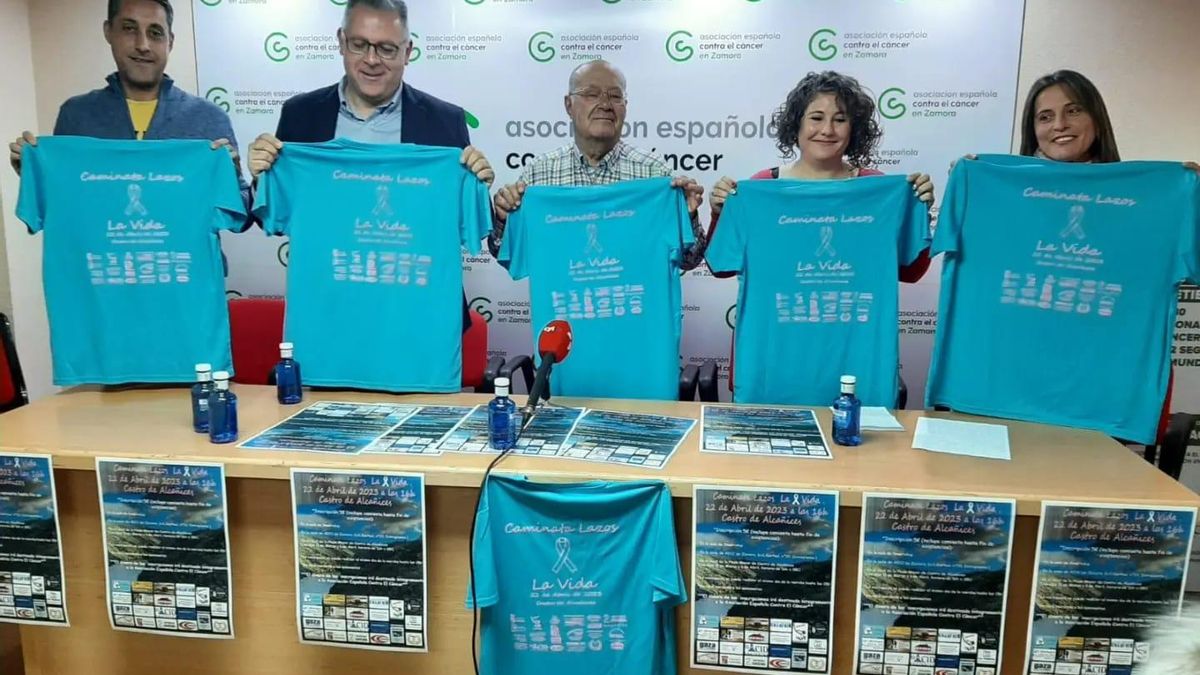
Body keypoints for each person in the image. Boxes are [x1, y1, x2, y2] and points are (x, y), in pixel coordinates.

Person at [246, 0, 494, 331]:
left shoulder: (445, 121)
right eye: (360, 45)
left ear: (408, 51)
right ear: (341, 41)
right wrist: (261, 178)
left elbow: (462, 218)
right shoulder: (300, 115)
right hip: (329, 314)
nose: (372, 60)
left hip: (419, 318)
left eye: (387, 49)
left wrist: (478, 183)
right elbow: (273, 219)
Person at [8, 0, 248, 219]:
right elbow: (62, 207)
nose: (142, 45)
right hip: (102, 265)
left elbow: (242, 216)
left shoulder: (208, 118)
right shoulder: (77, 115)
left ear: (170, 42)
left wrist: (230, 178)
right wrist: (33, 176)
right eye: (129, 28)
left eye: (155, 33)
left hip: (186, 265)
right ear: (108, 31)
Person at [707, 70, 935, 282]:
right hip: (779, 324)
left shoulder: (876, 189)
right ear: (797, 125)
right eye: (816, 118)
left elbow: (910, 273)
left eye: (840, 120)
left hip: (852, 323)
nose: (827, 130)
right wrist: (720, 214)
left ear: (854, 129)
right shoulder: (763, 186)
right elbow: (721, 269)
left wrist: (918, 212)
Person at [488, 59, 707, 269]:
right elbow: (509, 255)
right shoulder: (537, 175)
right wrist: (504, 220)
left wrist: (687, 217)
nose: (605, 104)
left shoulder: (656, 174)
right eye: (591, 94)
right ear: (568, 105)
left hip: (633, 304)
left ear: (625, 106)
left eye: (615, 96)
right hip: (563, 305)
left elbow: (689, 259)